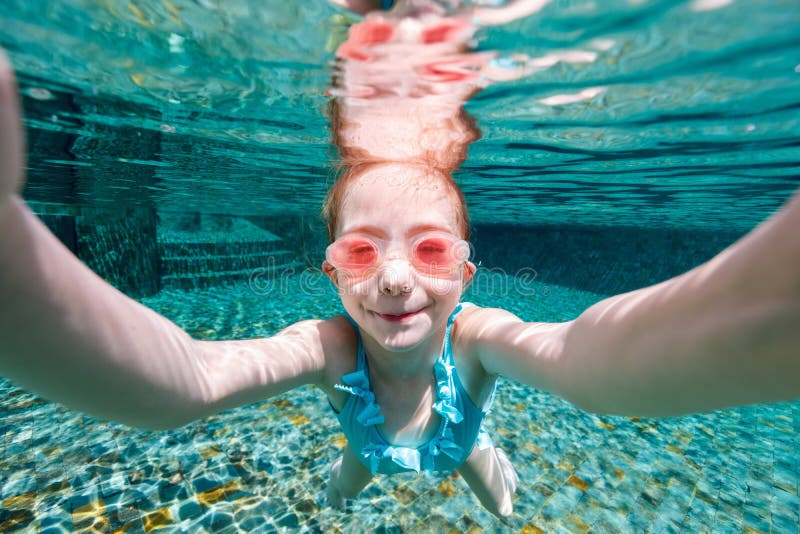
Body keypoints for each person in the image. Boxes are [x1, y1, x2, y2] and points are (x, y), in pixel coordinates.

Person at [1, 7, 799, 521]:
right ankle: (342, 497)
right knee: (350, 476)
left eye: (428, 248)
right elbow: (191, 378)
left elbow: (583, 357)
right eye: (361, 249)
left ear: (467, 275)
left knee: (484, 472)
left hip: (459, 442)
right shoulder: (330, 348)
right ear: (332, 274)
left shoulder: (477, 337)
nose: (392, 278)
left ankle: (491, 478)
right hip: (368, 444)